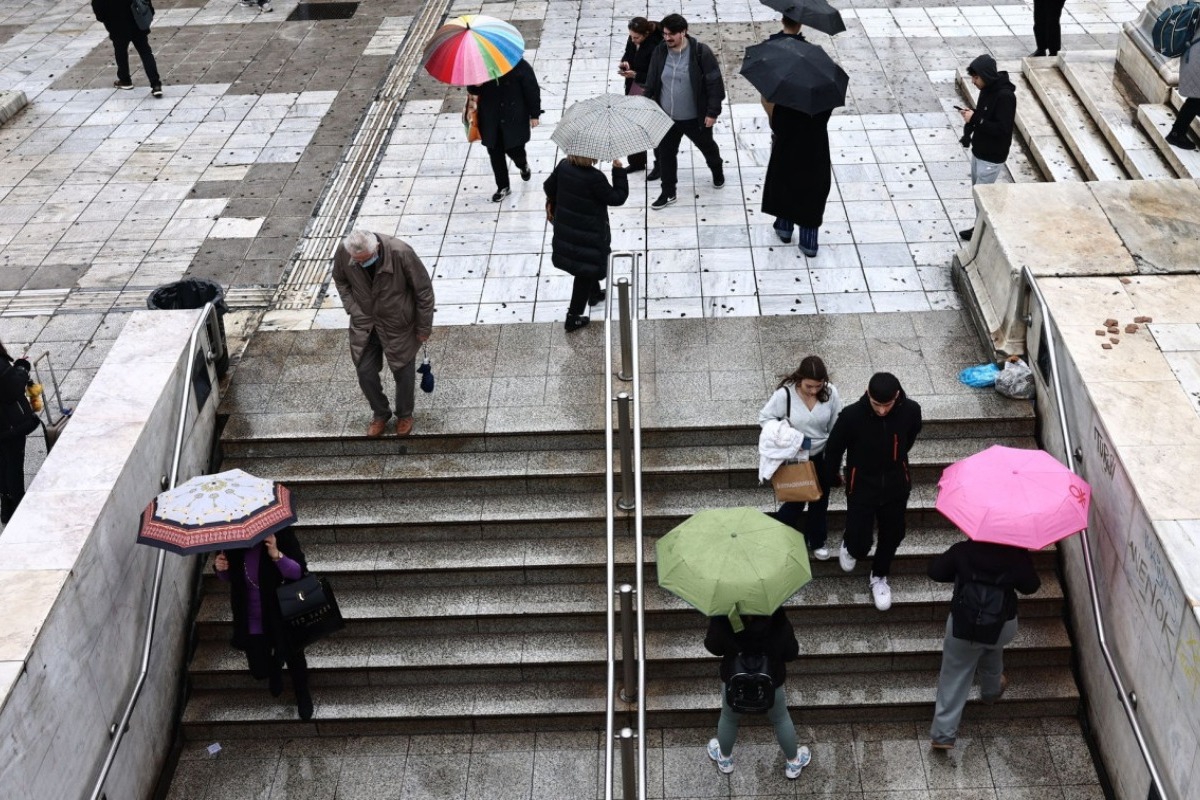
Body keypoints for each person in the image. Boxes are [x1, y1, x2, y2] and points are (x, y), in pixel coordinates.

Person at [822, 372, 923, 612]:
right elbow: (834, 448)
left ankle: (879, 575)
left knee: (894, 533)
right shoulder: (851, 416)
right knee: (860, 543)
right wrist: (830, 476)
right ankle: (850, 543)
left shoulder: (911, 411)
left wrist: (896, 459)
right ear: (868, 394)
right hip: (862, 487)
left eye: (886, 405)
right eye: (876, 405)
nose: (881, 411)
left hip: (896, 485)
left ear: (896, 397)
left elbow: (910, 437)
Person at [928, 539, 1041, 749]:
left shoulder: (963, 550)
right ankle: (991, 690)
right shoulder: (1016, 555)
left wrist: (964, 573)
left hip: (965, 625)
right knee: (991, 646)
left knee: (955, 673)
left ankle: (943, 736)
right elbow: (1031, 587)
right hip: (1001, 625)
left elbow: (935, 572)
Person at [332, 229, 435, 437]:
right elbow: (340, 280)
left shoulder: (401, 253)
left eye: (365, 260)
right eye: (357, 261)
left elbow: (423, 291)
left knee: (403, 373)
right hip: (365, 324)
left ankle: (405, 414)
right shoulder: (344, 252)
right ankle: (380, 413)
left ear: (376, 248)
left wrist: (423, 327)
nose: (360, 264)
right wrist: (352, 307)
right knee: (365, 372)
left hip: (398, 324)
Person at [214, 529, 313, 720]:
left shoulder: (280, 534)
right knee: (259, 670)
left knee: (294, 657)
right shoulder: (229, 537)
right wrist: (220, 568)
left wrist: (277, 555)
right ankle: (275, 666)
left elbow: (298, 571)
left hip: (281, 611)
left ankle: (302, 693)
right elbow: (228, 577)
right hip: (250, 617)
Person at [703, 609, 811, 779]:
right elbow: (791, 653)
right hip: (770, 681)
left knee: (728, 718)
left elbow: (713, 646)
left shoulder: (724, 614)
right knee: (781, 719)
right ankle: (793, 761)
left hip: (734, 680)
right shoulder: (776, 616)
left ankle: (725, 760)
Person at [757, 356, 842, 558]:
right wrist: (786, 433)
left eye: (818, 386)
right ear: (800, 379)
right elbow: (765, 418)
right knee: (796, 498)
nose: (814, 391)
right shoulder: (784, 395)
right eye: (809, 386)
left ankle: (817, 539)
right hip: (796, 455)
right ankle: (779, 534)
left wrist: (837, 462)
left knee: (821, 499)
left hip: (822, 454)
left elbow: (836, 426)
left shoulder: (831, 393)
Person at [642, 14, 726, 210]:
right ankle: (668, 192)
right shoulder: (660, 51)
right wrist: (646, 102)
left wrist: (712, 113)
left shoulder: (700, 52)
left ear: (684, 32)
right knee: (666, 155)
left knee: (707, 147)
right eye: (664, 34)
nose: (667, 38)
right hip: (667, 117)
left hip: (694, 118)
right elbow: (653, 79)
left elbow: (715, 84)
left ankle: (717, 169)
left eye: (672, 34)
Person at [544, 154, 629, 332]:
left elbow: (548, 187)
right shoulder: (595, 178)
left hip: (567, 228)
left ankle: (595, 294)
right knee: (584, 271)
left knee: (587, 265)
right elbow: (617, 197)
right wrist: (618, 171)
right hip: (589, 233)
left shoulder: (563, 166)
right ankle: (573, 317)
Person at [957, 55, 1016, 242]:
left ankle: (984, 233)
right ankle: (979, 227)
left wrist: (975, 119)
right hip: (979, 150)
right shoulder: (987, 90)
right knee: (978, 194)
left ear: (986, 76)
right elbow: (983, 115)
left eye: (976, 78)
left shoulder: (1005, 96)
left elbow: (1002, 129)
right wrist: (972, 117)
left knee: (984, 196)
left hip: (991, 156)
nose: (973, 82)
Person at [762, 103, 833, 255]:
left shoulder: (786, 101)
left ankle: (784, 229)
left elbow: (777, 125)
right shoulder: (823, 101)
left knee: (785, 187)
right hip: (815, 153)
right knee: (812, 196)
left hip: (788, 151)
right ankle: (809, 242)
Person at [468, 59, 543, 202]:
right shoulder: (481, 66)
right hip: (491, 118)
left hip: (514, 117)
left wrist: (534, 114)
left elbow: (532, 90)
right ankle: (503, 187)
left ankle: (523, 165)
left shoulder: (519, 65)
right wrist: (475, 85)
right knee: (495, 153)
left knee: (515, 149)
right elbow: (472, 90)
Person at [617, 17, 664, 172]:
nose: (633, 39)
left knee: (654, 129)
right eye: (631, 36)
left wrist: (636, 74)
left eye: (636, 37)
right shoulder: (633, 38)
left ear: (646, 34)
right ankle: (637, 162)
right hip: (634, 88)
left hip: (651, 90)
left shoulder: (656, 46)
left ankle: (660, 165)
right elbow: (628, 53)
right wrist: (625, 63)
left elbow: (657, 74)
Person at [0, 341, 38, 524]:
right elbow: (12, 389)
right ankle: (17, 505)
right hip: (8, 426)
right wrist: (22, 369)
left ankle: (6, 505)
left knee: (2, 463)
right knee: (14, 465)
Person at [92, 0, 163, 97]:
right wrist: (149, 11)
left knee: (120, 50)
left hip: (116, 22)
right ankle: (156, 84)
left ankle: (125, 80)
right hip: (136, 19)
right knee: (145, 52)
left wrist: (104, 18)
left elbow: (98, 5)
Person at [1166, 31, 1200, 150]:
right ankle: (1176, 134)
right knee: (1195, 100)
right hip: (1196, 57)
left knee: (1195, 99)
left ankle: (1176, 133)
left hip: (1193, 53)